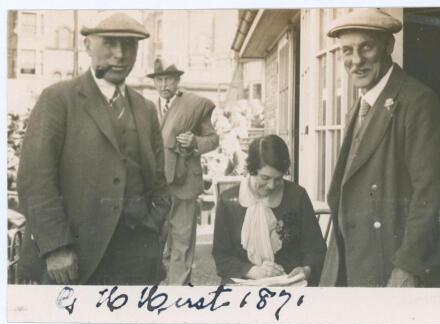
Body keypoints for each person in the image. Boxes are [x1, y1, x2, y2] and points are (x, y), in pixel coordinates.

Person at [16, 12, 170, 285]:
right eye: (110, 43)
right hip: (75, 257)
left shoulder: (145, 109)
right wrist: (56, 247)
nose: (120, 55)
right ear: (87, 45)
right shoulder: (58, 99)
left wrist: (153, 229)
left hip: (136, 256)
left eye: (129, 45)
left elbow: (158, 181)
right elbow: (35, 180)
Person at [319, 8, 440, 287]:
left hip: (390, 268)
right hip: (353, 263)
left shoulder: (418, 103)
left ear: (388, 46)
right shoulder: (359, 107)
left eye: (366, 47)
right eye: (347, 51)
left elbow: (433, 193)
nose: (355, 60)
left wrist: (408, 266)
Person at [212, 135, 326, 286]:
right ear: (251, 170)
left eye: (278, 179)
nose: (272, 186)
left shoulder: (297, 196)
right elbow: (221, 256)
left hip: (290, 285)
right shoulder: (228, 201)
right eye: (265, 178)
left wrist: (306, 269)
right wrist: (253, 271)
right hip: (243, 283)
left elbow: (316, 249)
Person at [147, 59, 219, 285]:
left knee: (182, 238)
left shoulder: (194, 106)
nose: (164, 84)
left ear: (178, 81)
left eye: (169, 79)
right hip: (154, 185)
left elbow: (213, 139)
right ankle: (153, 288)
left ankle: (178, 291)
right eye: (159, 79)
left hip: (184, 182)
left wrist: (195, 141)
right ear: (154, 82)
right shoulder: (146, 108)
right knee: (153, 237)